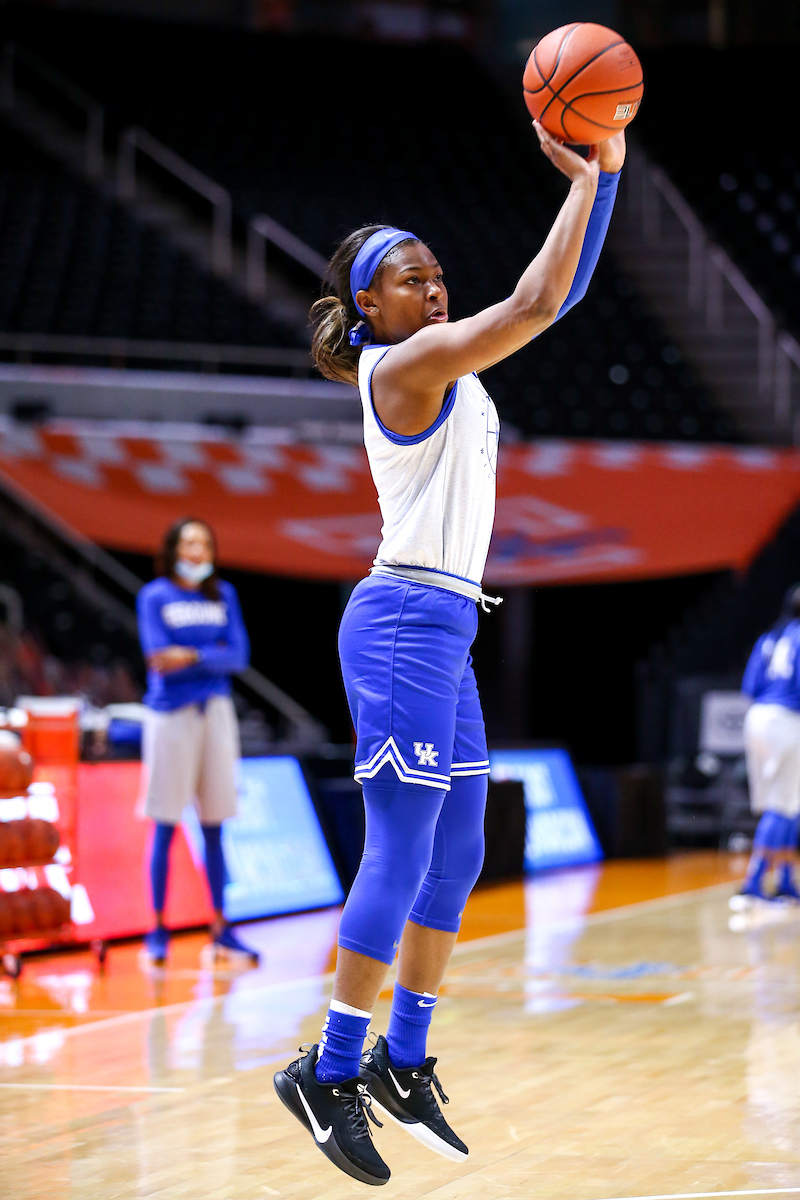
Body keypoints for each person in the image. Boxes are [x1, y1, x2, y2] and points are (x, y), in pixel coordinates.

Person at [273, 121, 625, 1186]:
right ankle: (327, 1072)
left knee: (458, 853)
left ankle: (403, 1057)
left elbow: (550, 302)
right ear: (367, 308)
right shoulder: (406, 364)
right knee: (397, 848)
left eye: (434, 273)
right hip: (397, 626)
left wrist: (600, 182)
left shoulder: (438, 354)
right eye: (407, 277)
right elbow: (530, 305)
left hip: (445, 625)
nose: (429, 287)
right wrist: (592, 175)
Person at [136, 517, 258, 966]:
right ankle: (157, 927)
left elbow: (239, 657)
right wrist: (211, 655)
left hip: (217, 715)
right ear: (172, 549)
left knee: (216, 824)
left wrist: (189, 654)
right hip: (170, 716)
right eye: (188, 542)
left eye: (204, 543)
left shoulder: (223, 595)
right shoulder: (154, 597)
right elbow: (157, 658)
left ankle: (221, 928)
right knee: (165, 824)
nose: (196, 551)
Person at [732, 584, 800, 909]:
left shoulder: (770, 637)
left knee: (787, 804)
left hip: (757, 718)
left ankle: (785, 879)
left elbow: (750, 687)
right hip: (789, 720)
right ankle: (753, 883)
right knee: (781, 805)